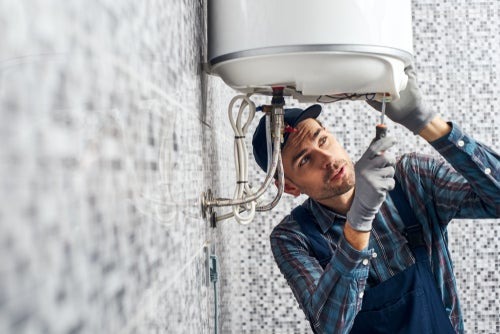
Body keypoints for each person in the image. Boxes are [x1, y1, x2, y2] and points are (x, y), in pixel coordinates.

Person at [251, 65, 499, 334]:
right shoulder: (292, 238)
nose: (327, 159)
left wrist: (426, 122)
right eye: (305, 159)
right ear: (289, 187)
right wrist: (359, 221)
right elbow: (330, 327)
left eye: (321, 140)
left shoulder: (410, 178)